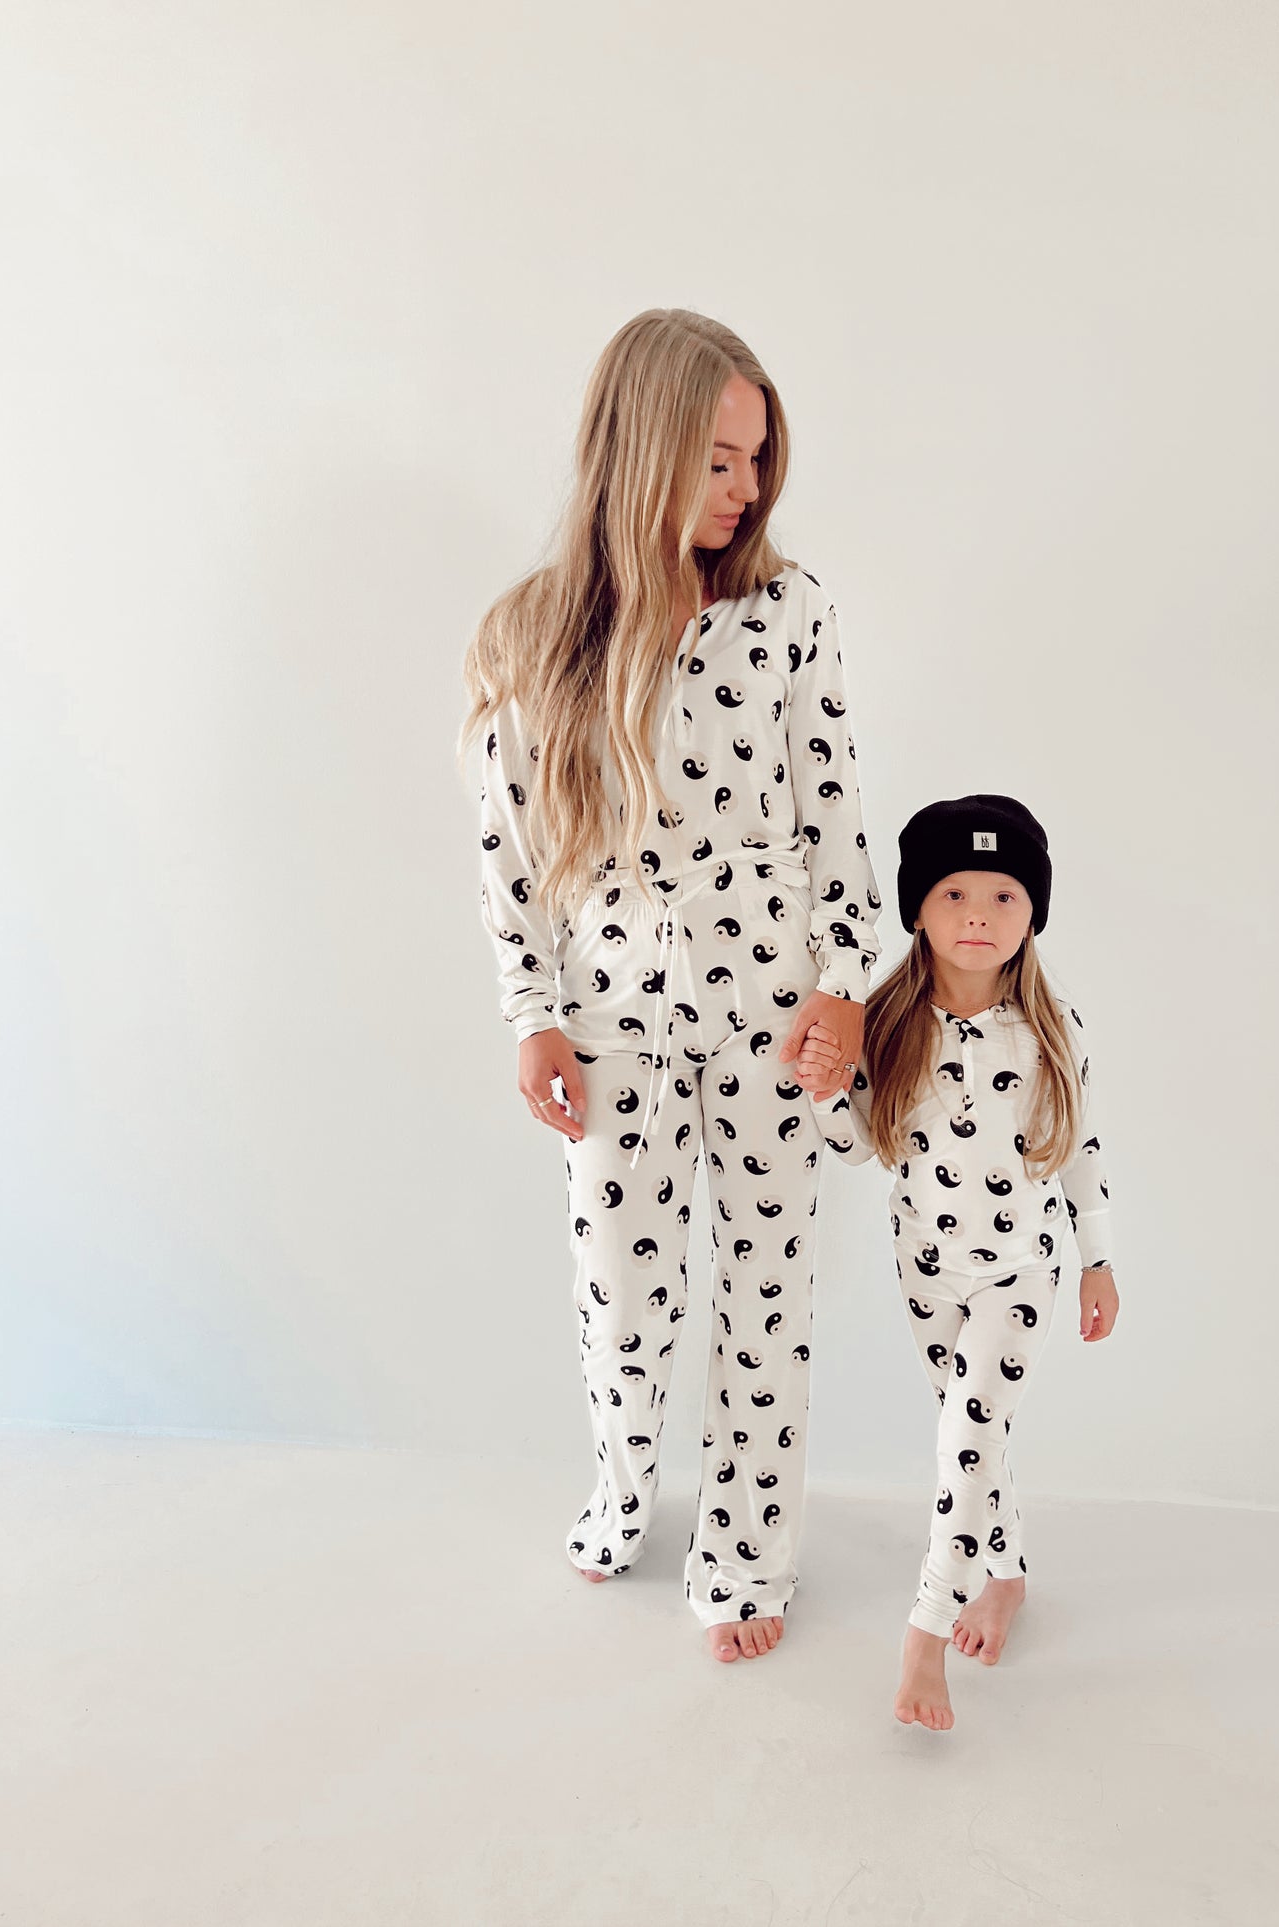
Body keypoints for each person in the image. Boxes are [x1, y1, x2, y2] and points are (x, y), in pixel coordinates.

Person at [463, 309, 881, 1664]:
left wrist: (844, 986)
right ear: (637, 451)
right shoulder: (534, 637)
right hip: (613, 1037)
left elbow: (836, 821)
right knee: (622, 1300)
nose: (745, 488)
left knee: (766, 1301)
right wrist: (532, 1016)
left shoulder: (788, 611)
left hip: (772, 1035)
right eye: (715, 458)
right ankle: (628, 1481)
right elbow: (512, 856)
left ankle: (749, 1547)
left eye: (757, 459)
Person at [793, 794, 1119, 1728]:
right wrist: (822, 1090)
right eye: (954, 892)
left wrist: (1098, 1261)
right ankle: (1005, 1573)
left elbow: (1083, 1149)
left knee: (963, 1441)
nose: (979, 914)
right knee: (972, 1434)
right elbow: (857, 1145)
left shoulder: (1053, 1033)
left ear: (1032, 913)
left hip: (1020, 1273)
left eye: (1004, 895)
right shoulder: (890, 1028)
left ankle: (923, 1635)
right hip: (925, 1270)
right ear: (918, 910)